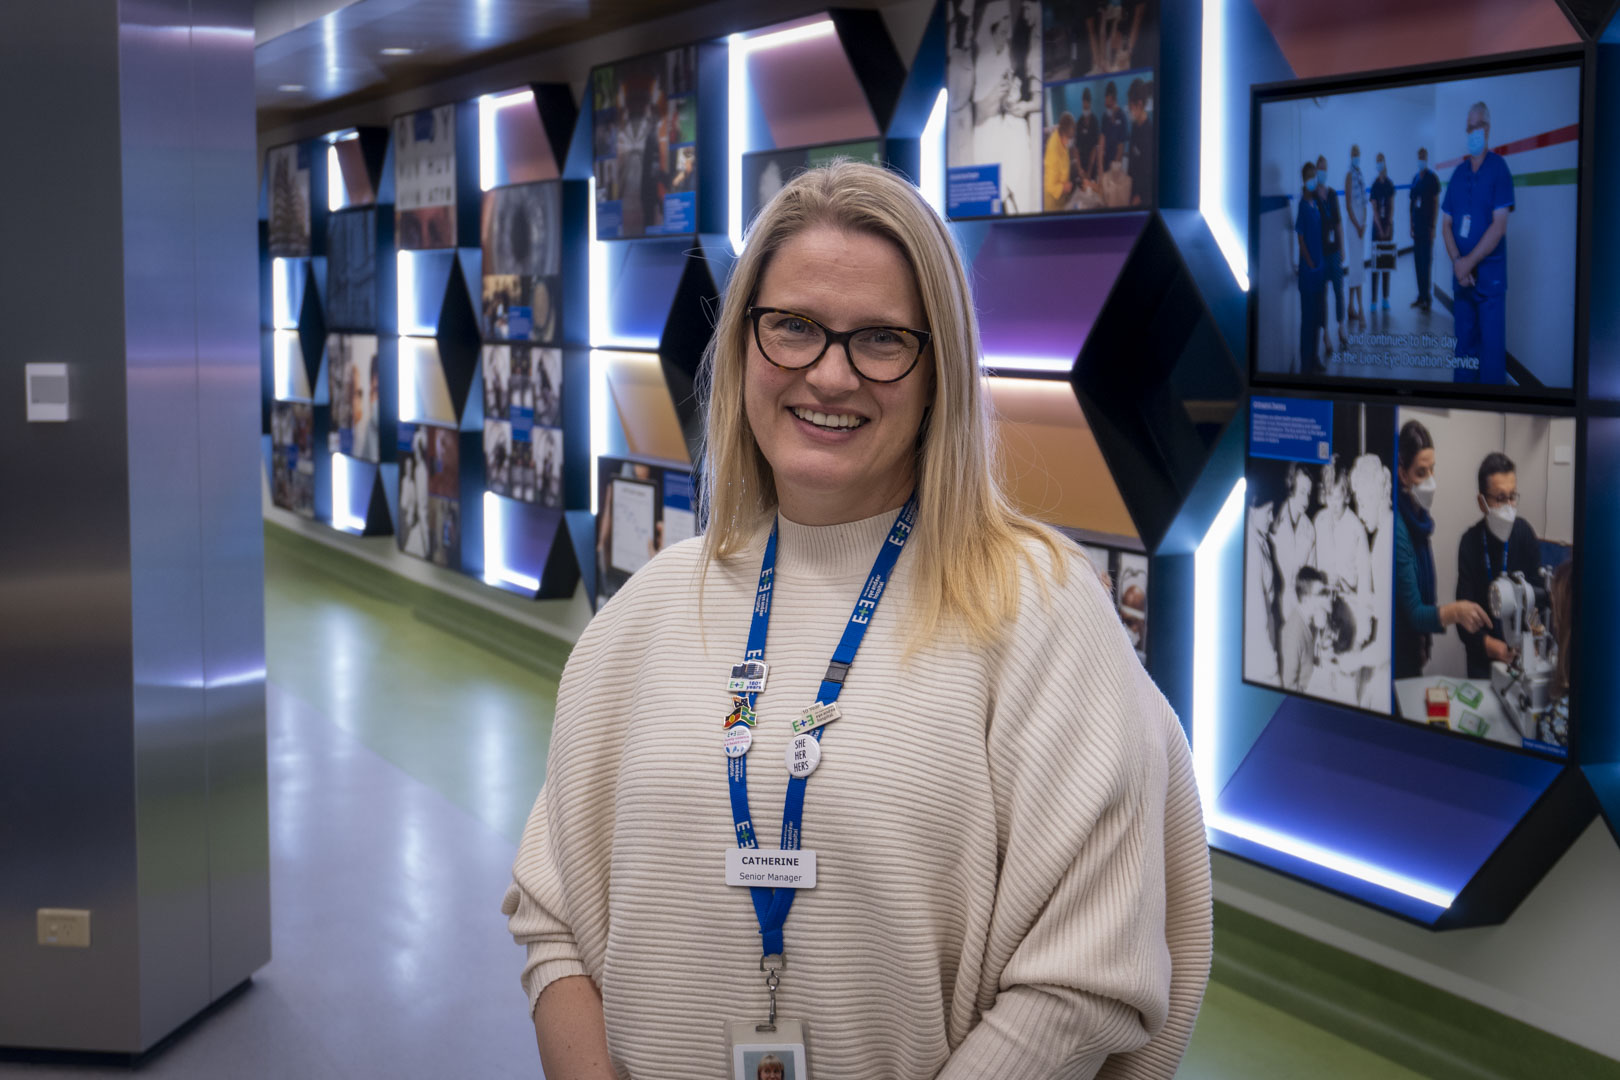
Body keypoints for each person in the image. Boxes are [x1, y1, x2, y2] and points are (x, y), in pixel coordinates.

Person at [504, 161, 1210, 1079]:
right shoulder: (648, 610)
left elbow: (1082, 981)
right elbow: (553, 917)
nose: (829, 375)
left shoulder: (1037, 609)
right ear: (745, 346)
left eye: (880, 340)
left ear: (937, 371)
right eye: (792, 326)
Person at [1393, 420, 1489, 679]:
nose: (1430, 482)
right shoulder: (1398, 528)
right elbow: (1413, 612)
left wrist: (1425, 642)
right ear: (1402, 474)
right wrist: (1457, 611)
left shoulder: (1419, 519)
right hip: (1397, 655)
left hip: (1415, 648)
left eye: (1432, 470)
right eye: (1421, 473)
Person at [1442, 101, 1514, 384]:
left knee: (1492, 361)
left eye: (1478, 126)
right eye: (1469, 127)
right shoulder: (1458, 175)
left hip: (1490, 285)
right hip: (1462, 285)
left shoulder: (1499, 170)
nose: (1473, 132)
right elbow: (1445, 225)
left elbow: (1499, 226)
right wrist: (1458, 264)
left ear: (1488, 129)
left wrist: (1468, 263)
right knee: (1463, 356)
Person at [1455, 452, 1541, 680]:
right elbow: (1464, 622)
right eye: (1500, 498)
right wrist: (1498, 649)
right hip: (1483, 662)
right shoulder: (1470, 543)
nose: (1509, 506)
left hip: (1522, 659)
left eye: (1512, 497)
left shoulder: (1525, 535)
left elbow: (1539, 600)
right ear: (1482, 502)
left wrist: (1534, 636)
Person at [1295, 161, 1326, 373]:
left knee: (1316, 319)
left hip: (1320, 272)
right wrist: (1310, 262)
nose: (1315, 179)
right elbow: (1300, 238)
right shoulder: (1302, 206)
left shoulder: (1315, 204)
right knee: (1307, 321)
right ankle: (1306, 364)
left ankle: (1315, 358)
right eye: (1311, 176)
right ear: (1305, 181)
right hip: (1308, 274)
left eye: (1316, 175)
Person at [1280, 565, 1331, 692]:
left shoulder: (1310, 620)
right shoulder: (1294, 634)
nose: (1325, 599)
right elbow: (1289, 687)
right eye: (1320, 594)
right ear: (1306, 599)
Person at [1316, 155, 1347, 354]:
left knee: (1339, 291)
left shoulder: (1333, 195)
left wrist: (1342, 248)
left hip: (1334, 252)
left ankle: (1341, 328)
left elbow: (1338, 224)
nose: (1322, 172)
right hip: (1320, 254)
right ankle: (1325, 335)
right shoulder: (1312, 198)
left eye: (1325, 168)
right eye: (1320, 168)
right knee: (1323, 296)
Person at [1409, 147, 1440, 311]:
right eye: (1419, 156)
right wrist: (1410, 224)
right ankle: (1420, 297)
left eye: (1423, 157)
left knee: (1425, 263)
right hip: (1417, 229)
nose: (1421, 159)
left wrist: (1433, 226)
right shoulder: (1415, 179)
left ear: (1426, 159)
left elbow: (1436, 202)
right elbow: (1412, 203)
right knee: (1417, 263)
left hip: (1427, 228)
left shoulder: (1432, 178)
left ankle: (1427, 299)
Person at [1343, 145, 1367, 328]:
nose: (1356, 157)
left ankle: (1350, 307)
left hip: (1360, 225)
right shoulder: (1349, 176)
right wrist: (1358, 225)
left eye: (1357, 154)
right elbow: (1348, 206)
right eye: (1353, 154)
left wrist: (1364, 224)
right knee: (1356, 266)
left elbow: (1364, 204)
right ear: (1350, 156)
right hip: (1353, 226)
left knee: (1355, 266)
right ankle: (1361, 312)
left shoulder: (1361, 175)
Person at [1368, 153, 1394, 312]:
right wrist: (1380, 228)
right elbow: (1374, 209)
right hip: (1376, 229)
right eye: (1377, 162)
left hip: (1388, 228)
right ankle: (1373, 301)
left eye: (1381, 161)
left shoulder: (1389, 184)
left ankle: (1385, 299)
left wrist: (1388, 227)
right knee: (1376, 266)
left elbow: (1392, 207)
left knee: (1386, 265)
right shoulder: (1374, 185)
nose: (1379, 164)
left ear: (1384, 163)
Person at [1127, 78, 1155, 207]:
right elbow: (1132, 160)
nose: (1129, 110)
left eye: (1131, 106)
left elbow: (1149, 173)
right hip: (1132, 189)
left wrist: (1140, 196)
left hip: (1144, 198)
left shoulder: (1149, 132)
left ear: (1139, 104)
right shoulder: (1134, 127)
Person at [1043, 111, 1077, 210]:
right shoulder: (1053, 151)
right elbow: (1050, 185)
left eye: (1072, 138)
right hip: (1052, 202)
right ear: (1062, 134)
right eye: (1068, 138)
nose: (1070, 141)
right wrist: (1063, 187)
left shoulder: (1062, 137)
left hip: (1062, 196)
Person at [1073, 86, 1102, 187]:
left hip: (1092, 164)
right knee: (1082, 188)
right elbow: (1076, 147)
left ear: (1090, 104)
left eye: (1087, 107)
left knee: (1091, 188)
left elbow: (1095, 148)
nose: (1085, 109)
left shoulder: (1094, 122)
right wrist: (1079, 168)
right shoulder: (1080, 121)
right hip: (1082, 161)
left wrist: (1089, 171)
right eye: (1083, 107)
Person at [1099, 81, 1128, 182]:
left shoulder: (1122, 117)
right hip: (1106, 160)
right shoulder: (1104, 117)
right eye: (1106, 104)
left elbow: (1121, 146)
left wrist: (1115, 168)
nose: (1107, 107)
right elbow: (1102, 140)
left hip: (1116, 162)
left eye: (1109, 105)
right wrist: (1100, 165)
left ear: (1114, 100)